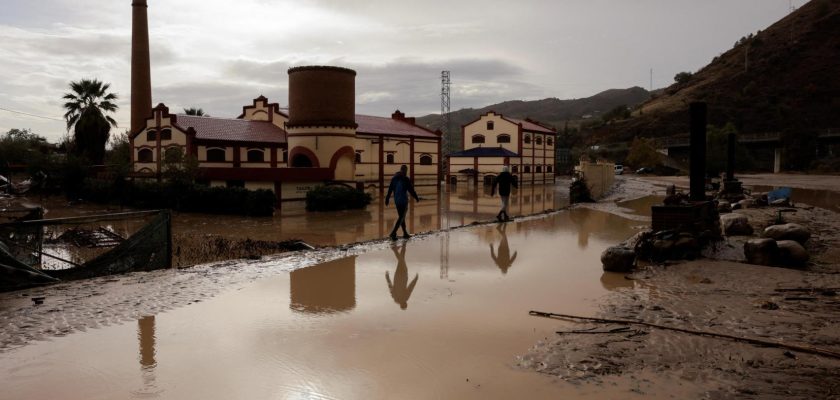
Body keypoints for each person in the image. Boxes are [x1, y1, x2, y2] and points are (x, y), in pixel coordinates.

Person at [385, 165, 420, 240]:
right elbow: (411, 190)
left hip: (397, 201)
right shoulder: (405, 179)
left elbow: (390, 189)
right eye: (405, 171)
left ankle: (405, 233)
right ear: (405, 170)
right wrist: (416, 198)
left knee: (402, 217)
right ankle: (393, 232)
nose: (405, 172)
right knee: (401, 217)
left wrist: (387, 198)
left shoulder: (394, 178)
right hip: (403, 201)